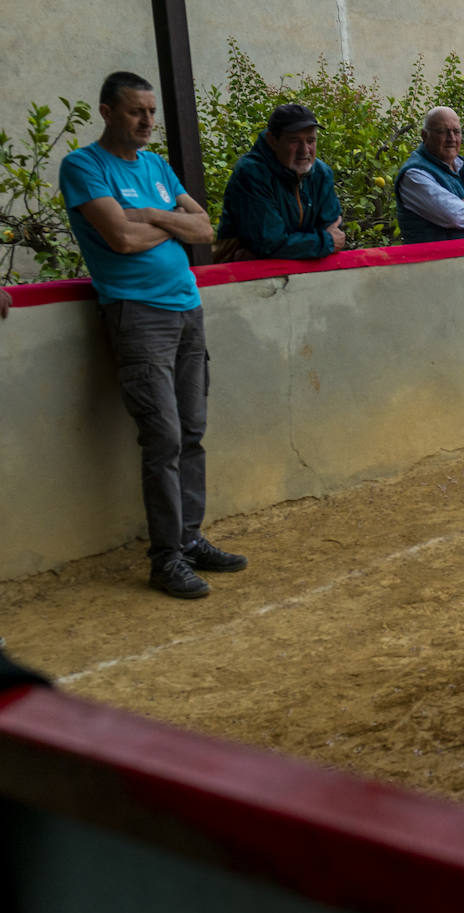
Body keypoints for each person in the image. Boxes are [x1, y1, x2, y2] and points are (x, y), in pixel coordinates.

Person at [59, 71, 246, 598]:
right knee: (162, 437)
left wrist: (146, 214)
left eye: (151, 111)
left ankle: (189, 539)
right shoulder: (83, 166)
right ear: (107, 112)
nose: (147, 121)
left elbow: (206, 229)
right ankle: (166, 559)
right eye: (136, 111)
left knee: (191, 430)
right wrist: (166, 221)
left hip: (188, 310)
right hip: (137, 316)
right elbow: (117, 237)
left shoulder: (157, 166)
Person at [215, 103, 344, 262]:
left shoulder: (322, 174)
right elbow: (269, 245)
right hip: (243, 277)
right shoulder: (251, 173)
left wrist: (299, 245)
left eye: (311, 140)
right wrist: (326, 242)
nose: (304, 150)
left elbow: (333, 229)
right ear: (272, 140)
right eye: (294, 141)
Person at [394, 107, 464, 243]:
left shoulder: (462, 165)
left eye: (456, 132)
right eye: (442, 132)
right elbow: (456, 216)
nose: (452, 138)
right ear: (424, 136)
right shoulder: (414, 175)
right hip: (437, 262)